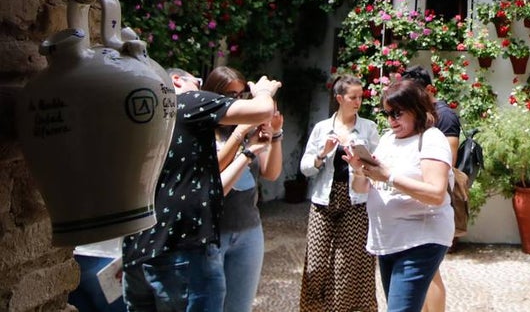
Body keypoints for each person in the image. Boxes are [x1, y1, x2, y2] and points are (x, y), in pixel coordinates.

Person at [122, 68, 281, 312]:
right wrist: (261, 92)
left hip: (141, 248)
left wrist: (252, 149)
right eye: (197, 83)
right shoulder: (186, 102)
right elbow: (262, 109)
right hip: (183, 250)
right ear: (176, 80)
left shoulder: (145, 116)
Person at [348, 79, 453, 312]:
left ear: (416, 110)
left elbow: (436, 193)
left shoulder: (432, 138)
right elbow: (361, 188)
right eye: (387, 113)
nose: (391, 119)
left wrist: (388, 176)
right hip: (389, 240)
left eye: (397, 113)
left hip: (420, 239)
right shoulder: (387, 140)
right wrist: (358, 169)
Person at [202, 66, 284, 312]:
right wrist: (241, 134)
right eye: (229, 95)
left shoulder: (248, 129)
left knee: (239, 306)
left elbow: (270, 173)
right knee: (209, 304)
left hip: (249, 232)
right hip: (211, 234)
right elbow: (213, 173)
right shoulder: (203, 127)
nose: (235, 102)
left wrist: (276, 134)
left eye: (240, 96)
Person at [298, 74, 381, 312]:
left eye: (360, 97)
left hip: (356, 201)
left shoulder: (368, 127)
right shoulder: (322, 128)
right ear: (339, 98)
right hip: (324, 199)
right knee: (315, 264)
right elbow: (305, 169)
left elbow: (378, 167)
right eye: (352, 97)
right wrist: (322, 154)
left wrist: (362, 162)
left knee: (348, 265)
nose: (357, 102)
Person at [399, 65, 461, 312]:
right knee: (423, 272)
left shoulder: (444, 116)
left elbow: (448, 164)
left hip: (433, 202)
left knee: (430, 271)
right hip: (418, 198)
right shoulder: (426, 115)